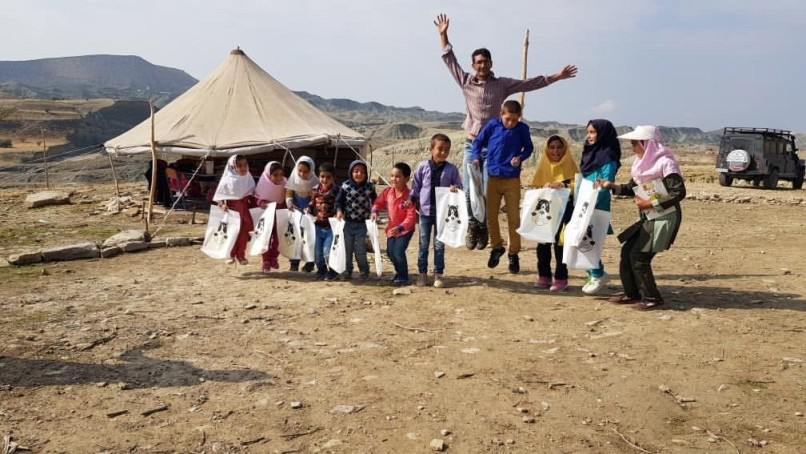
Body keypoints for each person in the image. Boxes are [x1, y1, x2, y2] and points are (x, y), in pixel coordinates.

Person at [434, 13, 578, 251]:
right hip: (473, 144)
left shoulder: (502, 84)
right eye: (478, 62)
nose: (482, 65)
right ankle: (475, 226)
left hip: (494, 148)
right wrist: (443, 34)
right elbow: (449, 60)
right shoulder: (466, 80)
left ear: (491, 63)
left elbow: (529, 83)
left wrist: (557, 77)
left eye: (485, 61)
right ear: (473, 65)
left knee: (489, 190)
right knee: (471, 189)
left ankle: (488, 228)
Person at [597, 125, 686, 310]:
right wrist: (612, 186)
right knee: (628, 252)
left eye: (635, 143)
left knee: (639, 256)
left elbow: (678, 192)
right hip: (649, 218)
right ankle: (632, 293)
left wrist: (650, 203)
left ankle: (652, 297)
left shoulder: (665, 163)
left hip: (664, 218)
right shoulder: (641, 165)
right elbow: (633, 188)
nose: (632, 147)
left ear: (647, 144)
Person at [470, 100, 533, 274]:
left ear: (519, 118)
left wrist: (520, 157)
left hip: (512, 179)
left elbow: (529, 148)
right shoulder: (492, 126)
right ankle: (497, 247)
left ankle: (513, 253)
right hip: (493, 178)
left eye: (514, 119)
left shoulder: (522, 130)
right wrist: (476, 157)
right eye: (508, 119)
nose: (511, 123)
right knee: (491, 216)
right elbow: (477, 142)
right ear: (501, 115)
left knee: (514, 218)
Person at [411, 133, 463, 288]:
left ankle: (438, 274)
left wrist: (455, 188)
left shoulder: (452, 169)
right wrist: (411, 200)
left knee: (439, 245)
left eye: (447, 149)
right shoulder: (422, 167)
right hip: (425, 213)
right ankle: (422, 274)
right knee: (423, 244)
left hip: (443, 215)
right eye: (440, 149)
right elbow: (416, 187)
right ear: (431, 149)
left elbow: (459, 186)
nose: (443, 152)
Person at [531, 135, 580, 292]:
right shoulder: (543, 166)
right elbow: (535, 189)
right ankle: (544, 276)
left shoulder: (570, 165)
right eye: (552, 147)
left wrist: (563, 184)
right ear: (547, 149)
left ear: (565, 148)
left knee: (561, 244)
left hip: (565, 211)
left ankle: (561, 278)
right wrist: (544, 187)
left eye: (559, 147)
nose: (555, 151)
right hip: (545, 213)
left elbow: (577, 186)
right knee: (542, 245)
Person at [579, 119, 621, 295]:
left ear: (603, 134)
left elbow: (606, 182)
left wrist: (592, 202)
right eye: (588, 132)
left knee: (587, 241)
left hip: (595, 205)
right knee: (579, 238)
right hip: (584, 203)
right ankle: (594, 272)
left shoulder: (608, 156)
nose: (589, 136)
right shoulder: (591, 153)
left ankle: (598, 273)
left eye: (593, 132)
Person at [371, 162, 417, 286]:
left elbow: (411, 217)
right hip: (391, 229)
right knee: (390, 253)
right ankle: (398, 271)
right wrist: (374, 211)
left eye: (397, 176)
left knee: (398, 252)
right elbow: (378, 203)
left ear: (406, 179)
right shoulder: (387, 192)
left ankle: (403, 276)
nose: (393, 179)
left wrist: (401, 228)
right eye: (392, 176)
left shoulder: (409, 197)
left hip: (405, 230)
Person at [335, 160, 377, 280]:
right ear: (351, 172)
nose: (359, 174)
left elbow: (375, 202)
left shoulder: (369, 187)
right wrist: (338, 211)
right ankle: (347, 271)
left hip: (362, 224)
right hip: (347, 224)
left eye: (362, 172)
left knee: (360, 249)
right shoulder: (345, 186)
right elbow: (339, 201)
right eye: (356, 171)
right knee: (347, 249)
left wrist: (374, 212)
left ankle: (364, 270)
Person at [213, 155, 256, 265]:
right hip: (232, 210)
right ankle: (230, 255)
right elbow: (220, 196)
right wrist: (222, 204)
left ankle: (241, 255)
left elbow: (253, 195)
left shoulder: (248, 178)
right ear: (233, 167)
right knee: (232, 233)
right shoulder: (227, 180)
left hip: (244, 210)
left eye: (245, 165)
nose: (243, 168)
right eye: (239, 166)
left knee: (243, 234)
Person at [308, 162, 340, 281]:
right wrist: (309, 208)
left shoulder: (337, 191)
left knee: (327, 251)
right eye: (322, 176)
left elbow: (339, 205)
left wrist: (339, 212)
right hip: (318, 226)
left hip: (331, 227)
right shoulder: (315, 190)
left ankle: (333, 270)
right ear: (318, 176)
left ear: (333, 178)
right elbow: (312, 203)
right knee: (318, 252)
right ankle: (321, 269)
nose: (325, 179)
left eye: (328, 177)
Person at [254, 161, 287, 274]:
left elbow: (288, 197)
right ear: (269, 174)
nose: (279, 177)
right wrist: (261, 202)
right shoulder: (263, 183)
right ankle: (266, 260)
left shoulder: (285, 183)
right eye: (275, 175)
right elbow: (256, 197)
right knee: (265, 237)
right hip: (266, 215)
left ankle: (274, 257)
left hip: (280, 214)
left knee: (278, 238)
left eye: (280, 174)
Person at [285, 157, 317, 272]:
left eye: (306, 171)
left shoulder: (315, 182)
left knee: (309, 238)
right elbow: (288, 193)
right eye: (300, 171)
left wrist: (311, 204)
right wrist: (289, 203)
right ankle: (294, 263)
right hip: (296, 213)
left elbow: (318, 198)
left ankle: (309, 263)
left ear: (311, 170)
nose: (302, 174)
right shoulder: (293, 179)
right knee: (295, 237)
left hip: (309, 214)